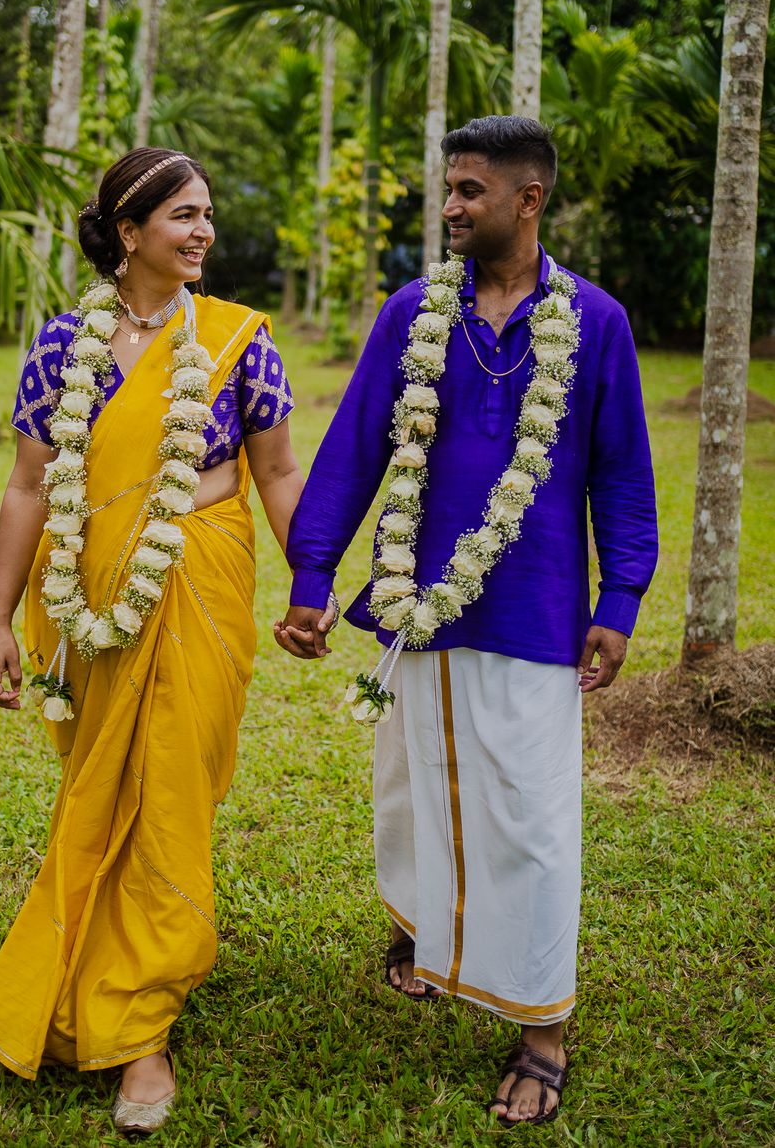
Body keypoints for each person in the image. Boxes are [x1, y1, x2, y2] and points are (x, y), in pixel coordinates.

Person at [275, 116, 658, 1128]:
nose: (448, 207)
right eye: (448, 187)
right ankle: (426, 936)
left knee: (528, 819)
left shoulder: (598, 323)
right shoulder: (414, 312)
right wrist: (313, 571)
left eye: (468, 190)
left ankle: (541, 1033)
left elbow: (621, 472)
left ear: (526, 200)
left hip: (533, 613)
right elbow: (357, 441)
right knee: (414, 795)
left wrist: (618, 599)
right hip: (415, 611)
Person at [0, 148, 332, 1135]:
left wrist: (314, 580)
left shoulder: (239, 341)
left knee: (169, 793)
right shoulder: (62, 345)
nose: (202, 231)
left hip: (200, 586)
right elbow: (25, 486)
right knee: (106, 785)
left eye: (206, 214)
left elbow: (277, 473)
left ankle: (143, 1031)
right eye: (182, 214)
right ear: (129, 232)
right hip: (88, 596)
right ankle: (103, 965)